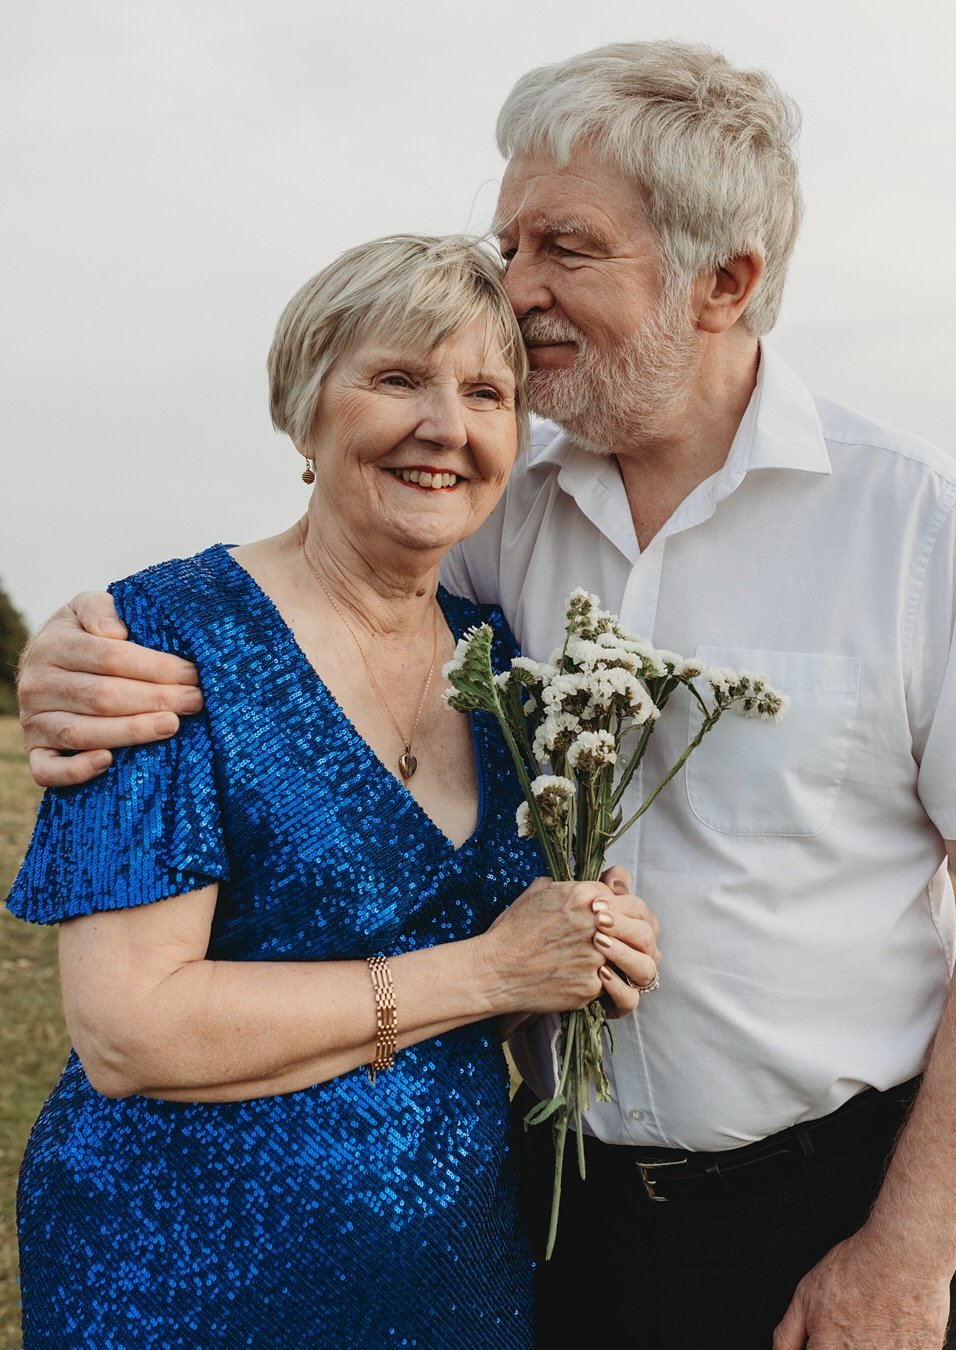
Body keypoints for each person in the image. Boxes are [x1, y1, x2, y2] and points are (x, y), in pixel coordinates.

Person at [15, 39, 956, 1350]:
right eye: (509, 242)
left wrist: (908, 1254)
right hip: (542, 1211)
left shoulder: (915, 520)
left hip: (815, 1210)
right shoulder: (496, 504)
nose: (515, 291)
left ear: (726, 280)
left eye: (565, 248)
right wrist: (71, 647)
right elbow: (306, 599)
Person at [5, 232, 662, 1349]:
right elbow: (131, 1029)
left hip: (451, 1270)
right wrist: (486, 968)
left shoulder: (507, 673)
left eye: (488, 393)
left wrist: (581, 948)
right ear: (305, 413)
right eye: (399, 378)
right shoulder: (163, 639)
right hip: (185, 1280)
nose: (447, 427)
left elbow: (495, 992)